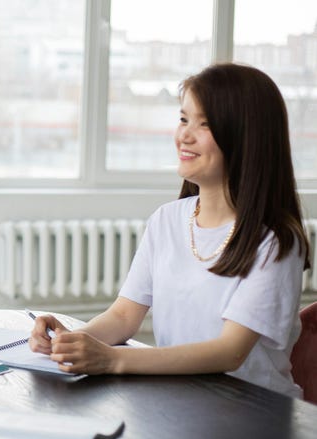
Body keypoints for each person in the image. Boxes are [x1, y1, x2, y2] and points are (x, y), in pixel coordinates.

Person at [29, 63, 310, 399]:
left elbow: (229, 351)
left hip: (254, 413)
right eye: (183, 119)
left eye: (204, 123)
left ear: (246, 138)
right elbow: (122, 316)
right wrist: (70, 343)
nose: (185, 135)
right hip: (183, 401)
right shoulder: (166, 220)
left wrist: (114, 359)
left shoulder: (276, 242)